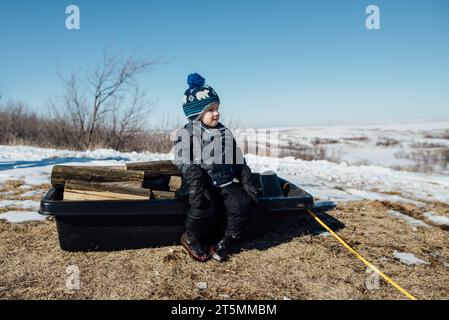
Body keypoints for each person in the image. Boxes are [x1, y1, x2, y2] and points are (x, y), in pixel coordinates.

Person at [173, 73, 259, 262]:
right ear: (196, 114)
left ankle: (224, 240)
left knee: (240, 204)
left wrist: (245, 179)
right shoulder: (186, 134)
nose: (216, 113)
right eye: (210, 109)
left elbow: (236, 158)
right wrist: (194, 179)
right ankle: (191, 238)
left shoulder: (224, 131)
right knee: (204, 205)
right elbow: (182, 159)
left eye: (217, 108)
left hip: (223, 180)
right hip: (200, 182)